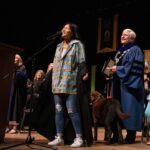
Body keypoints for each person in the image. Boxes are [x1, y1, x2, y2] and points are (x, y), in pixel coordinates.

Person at [48, 22, 89, 148]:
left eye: (66, 28)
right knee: (58, 110)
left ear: (72, 32)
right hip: (57, 82)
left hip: (70, 82)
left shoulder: (77, 45)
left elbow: (81, 61)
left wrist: (84, 73)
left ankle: (79, 138)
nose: (63, 30)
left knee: (72, 111)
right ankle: (59, 137)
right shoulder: (59, 45)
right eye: (63, 28)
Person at [107, 28, 144, 144]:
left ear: (132, 38)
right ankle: (117, 136)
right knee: (115, 110)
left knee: (129, 109)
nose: (122, 36)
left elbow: (134, 68)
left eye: (126, 35)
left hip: (129, 85)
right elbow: (114, 64)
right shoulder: (120, 51)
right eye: (122, 34)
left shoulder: (135, 50)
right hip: (118, 84)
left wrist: (116, 69)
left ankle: (130, 136)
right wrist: (107, 72)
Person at [6, 54, 27, 133]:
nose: (14, 59)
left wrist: (17, 72)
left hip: (18, 91)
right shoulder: (11, 67)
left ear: (19, 59)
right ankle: (9, 126)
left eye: (15, 58)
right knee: (10, 108)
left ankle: (14, 127)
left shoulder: (22, 67)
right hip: (11, 89)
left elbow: (24, 78)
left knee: (15, 108)